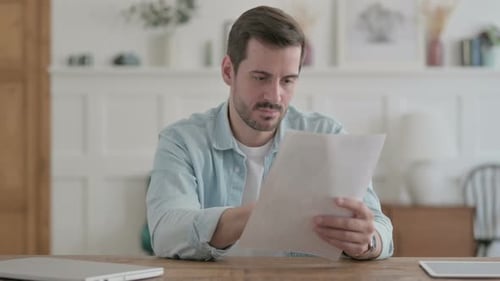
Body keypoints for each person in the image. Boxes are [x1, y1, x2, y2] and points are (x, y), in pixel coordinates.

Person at [146, 5, 393, 261]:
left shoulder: (328, 135)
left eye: (287, 80)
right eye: (261, 78)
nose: (275, 96)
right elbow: (165, 233)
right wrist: (260, 216)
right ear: (228, 71)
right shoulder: (182, 141)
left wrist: (367, 243)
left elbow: (381, 231)